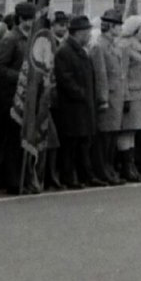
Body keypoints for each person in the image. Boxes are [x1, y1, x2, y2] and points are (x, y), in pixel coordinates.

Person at [0, 2, 34, 193]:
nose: (30, 23)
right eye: (26, 20)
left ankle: (25, 178)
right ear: (19, 19)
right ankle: (12, 181)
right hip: (11, 96)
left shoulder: (30, 38)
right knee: (13, 141)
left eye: (32, 19)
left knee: (25, 139)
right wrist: (21, 77)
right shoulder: (11, 39)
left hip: (28, 94)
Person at [53, 14, 100, 189]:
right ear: (78, 33)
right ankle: (69, 177)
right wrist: (81, 94)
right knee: (70, 145)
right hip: (72, 107)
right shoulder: (65, 51)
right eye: (87, 32)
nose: (89, 35)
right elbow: (65, 79)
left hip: (83, 105)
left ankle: (85, 175)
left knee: (84, 143)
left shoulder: (81, 50)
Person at [90, 10, 126, 185]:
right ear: (110, 26)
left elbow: (121, 74)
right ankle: (102, 170)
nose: (120, 29)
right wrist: (102, 99)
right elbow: (100, 75)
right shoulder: (99, 46)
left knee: (112, 137)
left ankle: (109, 168)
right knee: (104, 137)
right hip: (108, 98)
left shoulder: (114, 46)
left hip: (117, 97)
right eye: (118, 25)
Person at [117, 15, 141, 182]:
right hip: (131, 94)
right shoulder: (125, 46)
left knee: (133, 132)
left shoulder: (139, 46)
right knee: (127, 131)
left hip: (140, 95)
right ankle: (126, 167)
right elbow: (122, 74)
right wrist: (125, 97)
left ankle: (131, 166)